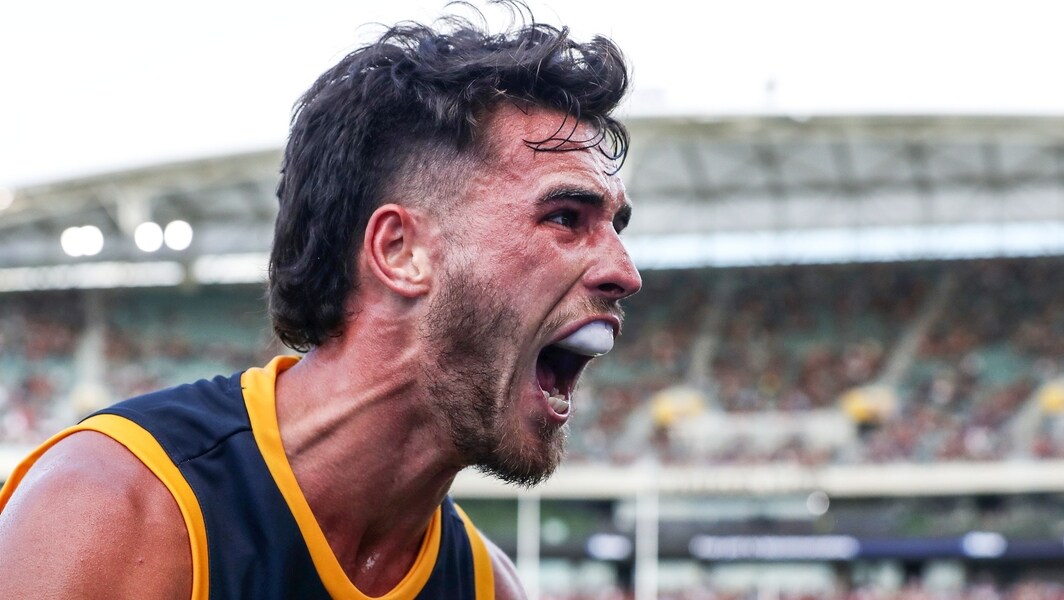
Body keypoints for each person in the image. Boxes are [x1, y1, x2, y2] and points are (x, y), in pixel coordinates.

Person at [0, 2, 641, 598]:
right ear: (399, 251)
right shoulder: (117, 511)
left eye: (617, 228)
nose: (626, 273)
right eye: (565, 217)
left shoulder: (486, 585)